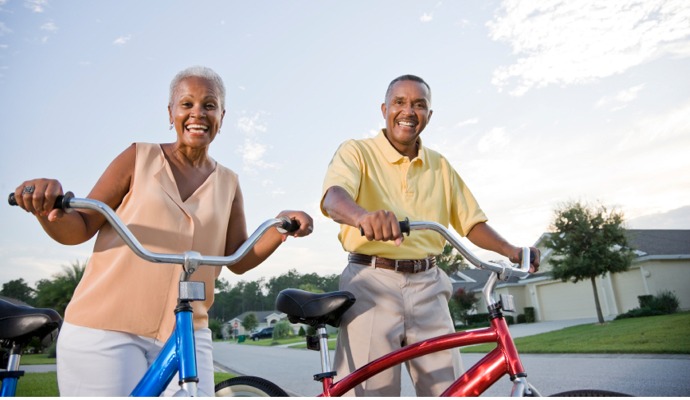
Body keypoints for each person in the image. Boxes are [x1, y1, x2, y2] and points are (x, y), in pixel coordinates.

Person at [13, 66, 314, 396]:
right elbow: (80, 228)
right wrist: (45, 210)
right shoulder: (137, 157)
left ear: (222, 116)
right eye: (186, 104)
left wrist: (279, 226)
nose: (197, 113)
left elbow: (238, 258)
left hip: (186, 330)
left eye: (209, 105)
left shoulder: (229, 182)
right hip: (105, 328)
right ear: (170, 113)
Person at [320, 74, 540, 396]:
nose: (408, 111)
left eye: (419, 105)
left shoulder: (440, 165)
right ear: (384, 109)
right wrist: (363, 216)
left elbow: (471, 222)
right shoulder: (356, 151)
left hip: (429, 284)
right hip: (371, 281)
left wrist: (510, 249)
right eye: (399, 102)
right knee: (370, 393)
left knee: (451, 389)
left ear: (428, 115)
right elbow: (333, 198)